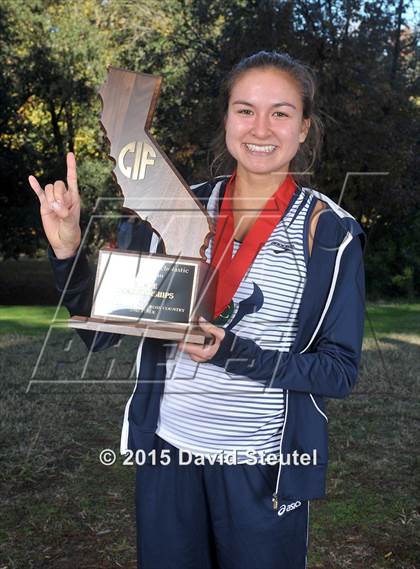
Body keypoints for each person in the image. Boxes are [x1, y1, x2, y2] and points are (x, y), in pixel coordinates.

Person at [29, 51, 366, 569]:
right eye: (244, 109)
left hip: (262, 469)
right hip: (167, 455)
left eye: (280, 112)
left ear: (304, 129)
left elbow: (339, 372)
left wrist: (235, 353)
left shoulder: (329, 231)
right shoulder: (173, 210)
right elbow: (101, 333)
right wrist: (68, 248)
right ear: (227, 120)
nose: (261, 127)